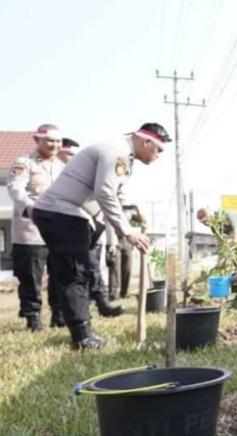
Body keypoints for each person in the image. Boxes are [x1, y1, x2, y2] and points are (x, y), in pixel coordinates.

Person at [32, 123, 170, 350]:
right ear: (146, 142)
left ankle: (82, 329)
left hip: (65, 213)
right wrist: (127, 231)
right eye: (159, 150)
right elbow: (104, 192)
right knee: (74, 273)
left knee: (78, 272)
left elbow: (115, 191)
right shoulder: (119, 152)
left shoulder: (122, 152)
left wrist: (134, 209)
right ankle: (82, 336)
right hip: (60, 213)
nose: (158, 156)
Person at [7, 124, 65, 331]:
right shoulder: (25, 162)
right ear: (37, 140)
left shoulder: (61, 166)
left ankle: (59, 316)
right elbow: (15, 187)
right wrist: (30, 207)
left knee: (59, 274)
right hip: (30, 229)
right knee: (31, 277)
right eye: (50, 140)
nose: (54, 144)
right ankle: (32, 318)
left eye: (58, 141)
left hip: (56, 228)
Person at [57, 137, 123, 315]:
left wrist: (111, 241)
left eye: (73, 154)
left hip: (92, 228)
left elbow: (106, 205)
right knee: (70, 272)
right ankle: (63, 312)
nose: (70, 157)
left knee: (93, 268)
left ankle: (102, 304)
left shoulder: (87, 173)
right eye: (67, 153)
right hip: (66, 227)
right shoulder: (57, 173)